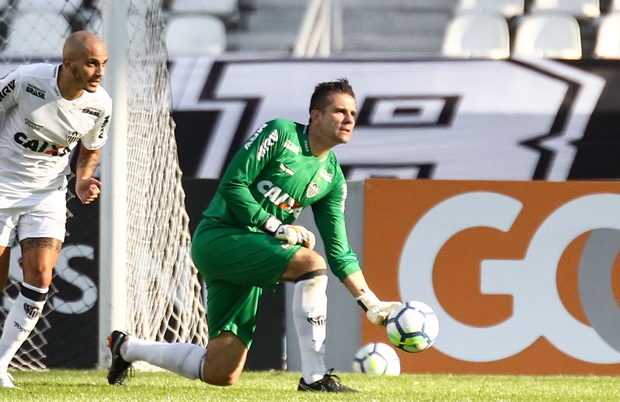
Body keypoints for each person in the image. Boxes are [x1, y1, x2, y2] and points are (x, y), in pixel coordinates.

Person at [106, 78, 400, 392]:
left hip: (251, 254)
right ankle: (314, 378)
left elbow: (340, 252)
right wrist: (277, 227)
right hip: (221, 237)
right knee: (310, 264)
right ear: (315, 116)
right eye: (340, 111)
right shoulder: (281, 133)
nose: (349, 119)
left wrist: (370, 302)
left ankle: (126, 348)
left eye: (353, 113)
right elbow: (233, 184)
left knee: (221, 371)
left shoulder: (331, 178)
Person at [0, 31, 112, 388]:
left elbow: (90, 150)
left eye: (103, 64)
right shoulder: (28, 81)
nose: (99, 71)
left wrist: (82, 179)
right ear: (68, 63)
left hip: (48, 195)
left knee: (40, 275)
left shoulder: (101, 104)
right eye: (91, 63)